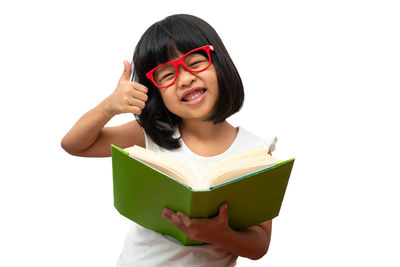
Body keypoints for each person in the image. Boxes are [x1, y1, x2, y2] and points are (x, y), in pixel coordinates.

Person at [61, 14, 277, 267]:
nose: (185, 79)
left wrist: (219, 235)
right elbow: (74, 144)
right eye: (166, 75)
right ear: (155, 92)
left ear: (219, 63)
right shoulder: (150, 134)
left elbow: (259, 245)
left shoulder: (256, 152)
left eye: (195, 62)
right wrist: (109, 107)